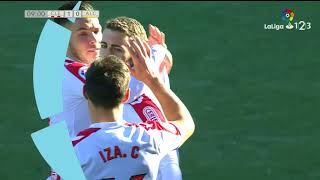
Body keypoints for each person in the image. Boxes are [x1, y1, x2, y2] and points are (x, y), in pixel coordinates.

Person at [73, 37, 194, 179]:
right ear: (126, 95)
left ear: (86, 94)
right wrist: (152, 79)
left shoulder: (74, 150)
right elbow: (186, 123)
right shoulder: (150, 136)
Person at [100, 16, 182, 180]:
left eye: (117, 49)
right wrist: (160, 49)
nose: (107, 55)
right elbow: (160, 57)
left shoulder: (123, 84)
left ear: (137, 52)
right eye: (103, 45)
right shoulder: (155, 69)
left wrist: (160, 51)